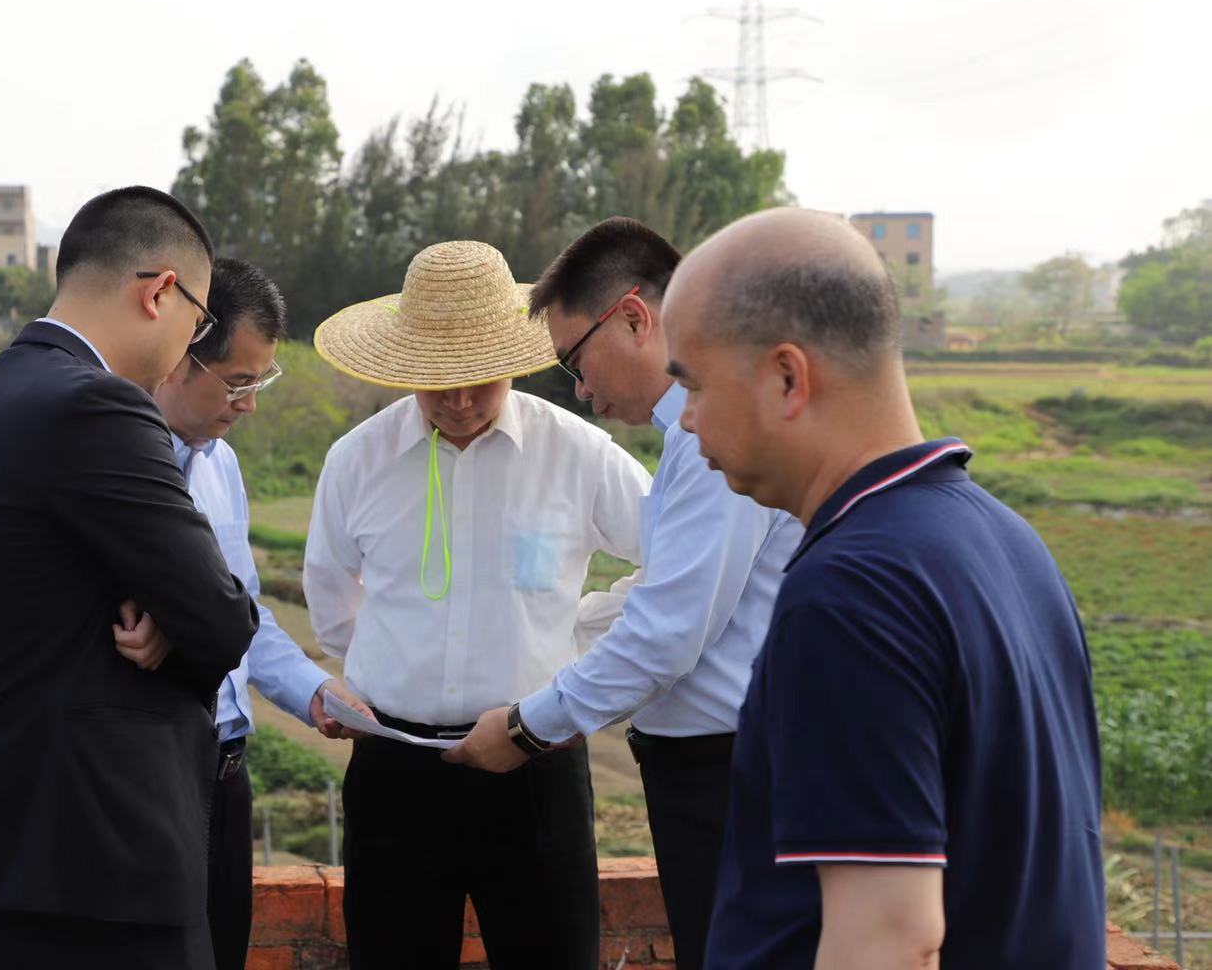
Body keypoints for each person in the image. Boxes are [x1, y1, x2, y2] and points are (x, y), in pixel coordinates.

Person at [661, 207, 1105, 968]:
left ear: (788, 377)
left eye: (693, 385)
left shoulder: (850, 595)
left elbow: (891, 939)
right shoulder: (1003, 538)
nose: (689, 420)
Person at [444, 217, 799, 970]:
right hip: (712, 768)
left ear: (634, 317)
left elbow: (666, 634)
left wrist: (527, 727)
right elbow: (668, 589)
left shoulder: (712, 439)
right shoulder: (690, 439)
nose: (582, 392)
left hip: (728, 771)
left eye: (576, 360)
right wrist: (557, 631)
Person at [0, 186, 259, 970]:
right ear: (159, 292)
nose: (187, 347)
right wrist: (179, 620)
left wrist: (171, 611)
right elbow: (222, 619)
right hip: (96, 858)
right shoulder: (98, 405)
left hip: (8, 845)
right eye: (197, 324)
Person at [303, 240, 651, 970]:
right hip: (396, 769)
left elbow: (675, 563)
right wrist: (401, 667)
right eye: (439, 382)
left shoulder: (577, 454)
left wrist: (577, 638)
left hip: (535, 761)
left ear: (512, 362)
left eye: (479, 380)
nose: (459, 401)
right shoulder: (357, 460)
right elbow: (331, 601)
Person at [140, 256, 372, 970]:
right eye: (237, 382)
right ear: (179, 355)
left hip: (226, 765)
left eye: (259, 383)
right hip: (152, 771)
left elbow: (243, 614)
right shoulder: (118, 464)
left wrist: (311, 689)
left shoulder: (220, 466)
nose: (249, 405)